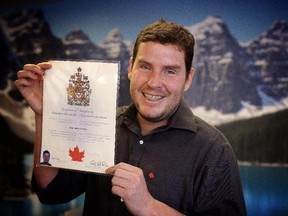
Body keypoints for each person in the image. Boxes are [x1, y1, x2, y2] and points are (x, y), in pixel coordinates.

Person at [15, 19, 246, 215]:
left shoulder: (214, 150)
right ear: (131, 68)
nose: (154, 83)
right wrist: (44, 115)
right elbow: (50, 190)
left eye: (170, 71)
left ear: (188, 79)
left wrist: (149, 207)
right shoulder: (102, 125)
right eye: (145, 67)